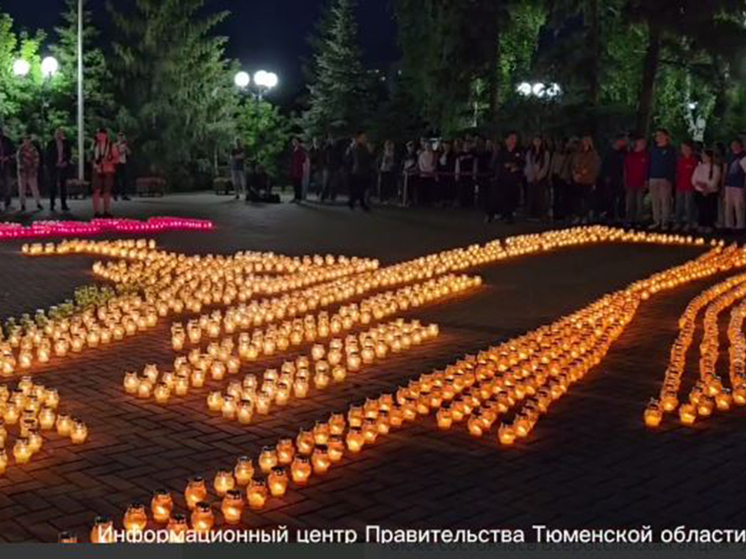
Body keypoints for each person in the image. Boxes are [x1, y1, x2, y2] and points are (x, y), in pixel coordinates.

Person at [489, 131, 523, 223]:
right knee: (501, 197)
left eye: (515, 138)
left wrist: (516, 166)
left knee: (512, 197)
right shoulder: (501, 151)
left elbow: (522, 163)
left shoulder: (519, 151)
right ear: (506, 140)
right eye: (511, 138)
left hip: (513, 179)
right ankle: (497, 214)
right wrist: (504, 165)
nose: (513, 141)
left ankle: (509, 215)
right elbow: (495, 163)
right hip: (502, 178)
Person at [648, 128, 677, 230]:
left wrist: (670, 177)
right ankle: (656, 220)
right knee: (655, 201)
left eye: (660, 135)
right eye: (656, 135)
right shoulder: (653, 149)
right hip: (653, 177)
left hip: (665, 178)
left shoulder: (671, 150)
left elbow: (673, 164)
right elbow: (649, 163)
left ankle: (665, 221)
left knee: (665, 201)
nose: (658, 137)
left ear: (666, 136)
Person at [570, 135, 601, 223]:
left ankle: (584, 216)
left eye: (587, 141)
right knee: (577, 199)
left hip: (588, 180)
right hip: (578, 179)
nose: (585, 143)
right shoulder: (578, 154)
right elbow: (574, 165)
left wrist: (584, 173)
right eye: (584, 141)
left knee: (587, 199)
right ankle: (577, 215)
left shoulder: (593, 155)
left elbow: (594, 167)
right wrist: (575, 174)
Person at [91, 128, 119, 218]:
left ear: (106, 135)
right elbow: (91, 157)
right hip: (97, 170)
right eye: (98, 134)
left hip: (108, 170)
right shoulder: (94, 145)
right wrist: (95, 164)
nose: (99, 136)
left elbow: (117, 159)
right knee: (96, 191)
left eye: (101, 134)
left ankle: (106, 211)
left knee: (107, 191)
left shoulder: (111, 145)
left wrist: (108, 161)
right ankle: (96, 211)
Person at [600, 135, 628, 223]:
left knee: (621, 197)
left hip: (621, 178)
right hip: (611, 178)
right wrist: (606, 176)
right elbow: (605, 165)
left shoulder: (624, 153)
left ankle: (621, 215)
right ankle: (610, 214)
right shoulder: (609, 153)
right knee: (610, 197)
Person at [623, 136, 650, 225]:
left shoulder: (646, 156)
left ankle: (639, 220)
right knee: (630, 201)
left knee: (639, 202)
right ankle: (629, 219)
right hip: (630, 182)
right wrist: (625, 180)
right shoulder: (630, 155)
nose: (643, 145)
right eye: (641, 142)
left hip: (641, 182)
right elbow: (626, 169)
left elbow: (647, 169)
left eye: (644, 143)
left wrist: (646, 180)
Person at [692, 149, 721, 233]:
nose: (702, 157)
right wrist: (700, 185)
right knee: (701, 209)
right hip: (699, 191)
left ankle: (709, 225)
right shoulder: (699, 167)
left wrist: (707, 188)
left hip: (711, 192)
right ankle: (701, 224)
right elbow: (694, 179)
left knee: (709, 209)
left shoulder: (715, 168)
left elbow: (715, 180)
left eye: (704, 155)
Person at [45, 128, 72, 212]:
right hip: (53, 167)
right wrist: (54, 163)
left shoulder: (66, 143)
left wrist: (65, 162)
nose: (59, 135)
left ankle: (64, 204)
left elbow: (69, 153)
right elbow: (48, 156)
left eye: (60, 134)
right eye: (57, 134)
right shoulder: (51, 143)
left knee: (63, 186)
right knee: (52, 185)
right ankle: (52, 204)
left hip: (63, 167)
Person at [524, 135, 551, 220]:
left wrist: (539, 176)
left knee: (540, 196)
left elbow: (545, 166)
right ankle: (531, 214)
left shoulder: (545, 153)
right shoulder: (529, 153)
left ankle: (540, 214)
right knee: (531, 196)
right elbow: (528, 164)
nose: (537, 143)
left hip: (541, 178)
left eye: (538, 141)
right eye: (535, 141)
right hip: (531, 177)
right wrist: (531, 175)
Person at [674, 141, 698, 231]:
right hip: (680, 185)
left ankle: (689, 223)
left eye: (685, 148)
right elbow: (677, 172)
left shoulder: (694, 161)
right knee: (679, 205)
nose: (684, 150)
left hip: (690, 186)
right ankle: (678, 222)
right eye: (682, 148)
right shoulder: (680, 160)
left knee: (689, 205)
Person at [723, 138, 746, 231]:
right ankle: (729, 225)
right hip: (729, 183)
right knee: (728, 205)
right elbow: (725, 171)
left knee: (739, 206)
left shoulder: (743, 156)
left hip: (739, 184)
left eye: (736, 144)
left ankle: (740, 226)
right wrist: (723, 184)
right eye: (733, 145)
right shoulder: (729, 156)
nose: (734, 147)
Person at [17, 134, 43, 212]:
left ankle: (38, 202)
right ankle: (22, 204)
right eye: (25, 140)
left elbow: (36, 159)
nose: (26, 141)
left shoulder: (33, 149)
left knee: (34, 187)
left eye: (28, 140)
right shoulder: (21, 149)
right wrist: (21, 167)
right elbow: (18, 160)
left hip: (31, 171)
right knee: (22, 188)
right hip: (23, 171)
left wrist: (34, 168)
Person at [349, 131, 373, 211]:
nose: (364, 139)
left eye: (365, 138)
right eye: (362, 138)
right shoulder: (356, 147)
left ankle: (353, 201)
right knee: (360, 188)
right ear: (358, 138)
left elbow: (370, 159)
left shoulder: (365, 147)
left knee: (362, 188)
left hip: (365, 171)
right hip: (358, 171)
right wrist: (369, 153)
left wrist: (371, 153)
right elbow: (359, 159)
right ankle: (358, 203)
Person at [549, 138, 573, 221]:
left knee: (563, 196)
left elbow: (570, 167)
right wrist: (550, 176)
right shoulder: (556, 154)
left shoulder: (569, 156)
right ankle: (556, 214)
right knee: (556, 196)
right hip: (556, 176)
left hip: (564, 177)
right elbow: (552, 166)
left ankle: (562, 214)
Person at [437, 140, 457, 206]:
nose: (446, 147)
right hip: (442, 174)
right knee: (442, 187)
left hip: (450, 174)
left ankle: (450, 201)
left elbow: (453, 164)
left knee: (450, 187)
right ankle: (442, 200)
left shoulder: (453, 155)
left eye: (447, 145)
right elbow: (438, 164)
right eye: (445, 145)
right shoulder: (440, 154)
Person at [417, 140, 437, 206]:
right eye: (427, 146)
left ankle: (430, 202)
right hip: (423, 175)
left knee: (430, 190)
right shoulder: (422, 155)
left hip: (431, 175)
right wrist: (424, 171)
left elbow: (434, 165)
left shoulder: (434, 155)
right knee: (423, 190)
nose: (428, 147)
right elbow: (420, 164)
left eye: (429, 146)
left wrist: (430, 171)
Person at [0, 127, 15, 212]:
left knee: (7, 185)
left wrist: (7, 158)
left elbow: (13, 152)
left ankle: (7, 204)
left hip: (6, 165)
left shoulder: (7, 141)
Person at [115, 132, 131, 201]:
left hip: (123, 162)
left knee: (124, 179)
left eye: (122, 137)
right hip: (117, 162)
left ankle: (124, 195)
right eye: (120, 137)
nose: (121, 138)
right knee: (118, 180)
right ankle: (115, 194)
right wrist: (120, 149)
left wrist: (126, 148)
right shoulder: (116, 145)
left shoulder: (124, 145)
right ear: (118, 137)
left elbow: (129, 153)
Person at [289, 137, 306, 203]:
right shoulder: (294, 149)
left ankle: (299, 197)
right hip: (294, 169)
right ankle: (296, 197)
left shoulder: (300, 149)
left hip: (298, 169)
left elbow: (303, 159)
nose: (294, 143)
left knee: (298, 184)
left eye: (295, 141)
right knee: (295, 184)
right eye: (293, 141)